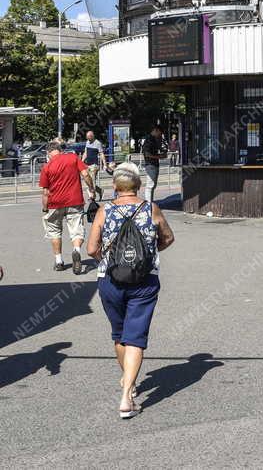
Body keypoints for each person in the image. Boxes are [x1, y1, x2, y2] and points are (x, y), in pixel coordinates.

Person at [87, 162, 174, 419]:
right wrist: (149, 253)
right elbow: (167, 238)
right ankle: (126, 399)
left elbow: (91, 248)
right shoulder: (151, 209)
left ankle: (130, 382)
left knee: (119, 333)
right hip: (144, 281)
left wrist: (108, 259)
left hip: (110, 280)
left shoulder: (105, 210)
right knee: (136, 336)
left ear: (115, 186)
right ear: (137, 185)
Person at [39, 140, 96, 273]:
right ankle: (76, 250)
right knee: (77, 230)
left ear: (49, 153)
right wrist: (92, 188)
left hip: (55, 204)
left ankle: (59, 261)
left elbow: (45, 193)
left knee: (54, 231)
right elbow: (86, 174)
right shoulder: (73, 158)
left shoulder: (46, 167)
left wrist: (45, 208)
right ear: (60, 150)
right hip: (75, 201)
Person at [140, 125, 166, 203]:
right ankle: (148, 203)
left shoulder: (153, 139)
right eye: (160, 133)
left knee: (152, 185)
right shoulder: (149, 139)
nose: (160, 135)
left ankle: (149, 203)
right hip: (151, 164)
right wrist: (159, 156)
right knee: (150, 185)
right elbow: (147, 153)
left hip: (153, 164)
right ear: (156, 130)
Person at [81, 130, 107, 199]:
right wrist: (81, 161)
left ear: (92, 136)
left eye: (89, 138)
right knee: (88, 181)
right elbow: (85, 153)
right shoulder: (87, 142)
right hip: (87, 165)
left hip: (94, 165)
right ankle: (100, 191)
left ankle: (93, 198)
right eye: (87, 138)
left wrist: (105, 164)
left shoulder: (98, 143)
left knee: (92, 181)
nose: (88, 139)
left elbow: (101, 154)